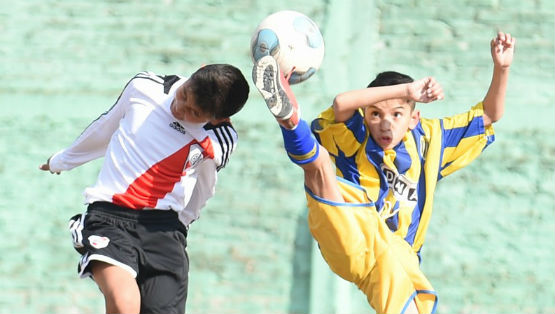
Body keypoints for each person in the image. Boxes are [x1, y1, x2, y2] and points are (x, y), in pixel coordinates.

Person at [252, 31, 515, 314]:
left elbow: (489, 115)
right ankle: (290, 120)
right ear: (365, 116)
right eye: (375, 114)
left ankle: (291, 122)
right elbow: (342, 103)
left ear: (414, 118)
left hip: (398, 256)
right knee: (320, 168)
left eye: (396, 115)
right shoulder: (356, 134)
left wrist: (502, 68)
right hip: (352, 230)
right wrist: (405, 91)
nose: (385, 124)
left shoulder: (431, 140)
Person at [39, 65, 249, 314]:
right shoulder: (144, 86)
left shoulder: (220, 138)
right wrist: (62, 160)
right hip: (109, 217)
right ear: (196, 73)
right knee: (124, 303)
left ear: (217, 118)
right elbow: (106, 127)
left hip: (165, 231)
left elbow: (204, 186)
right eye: (183, 95)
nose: (179, 108)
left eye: (193, 111)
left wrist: (183, 223)